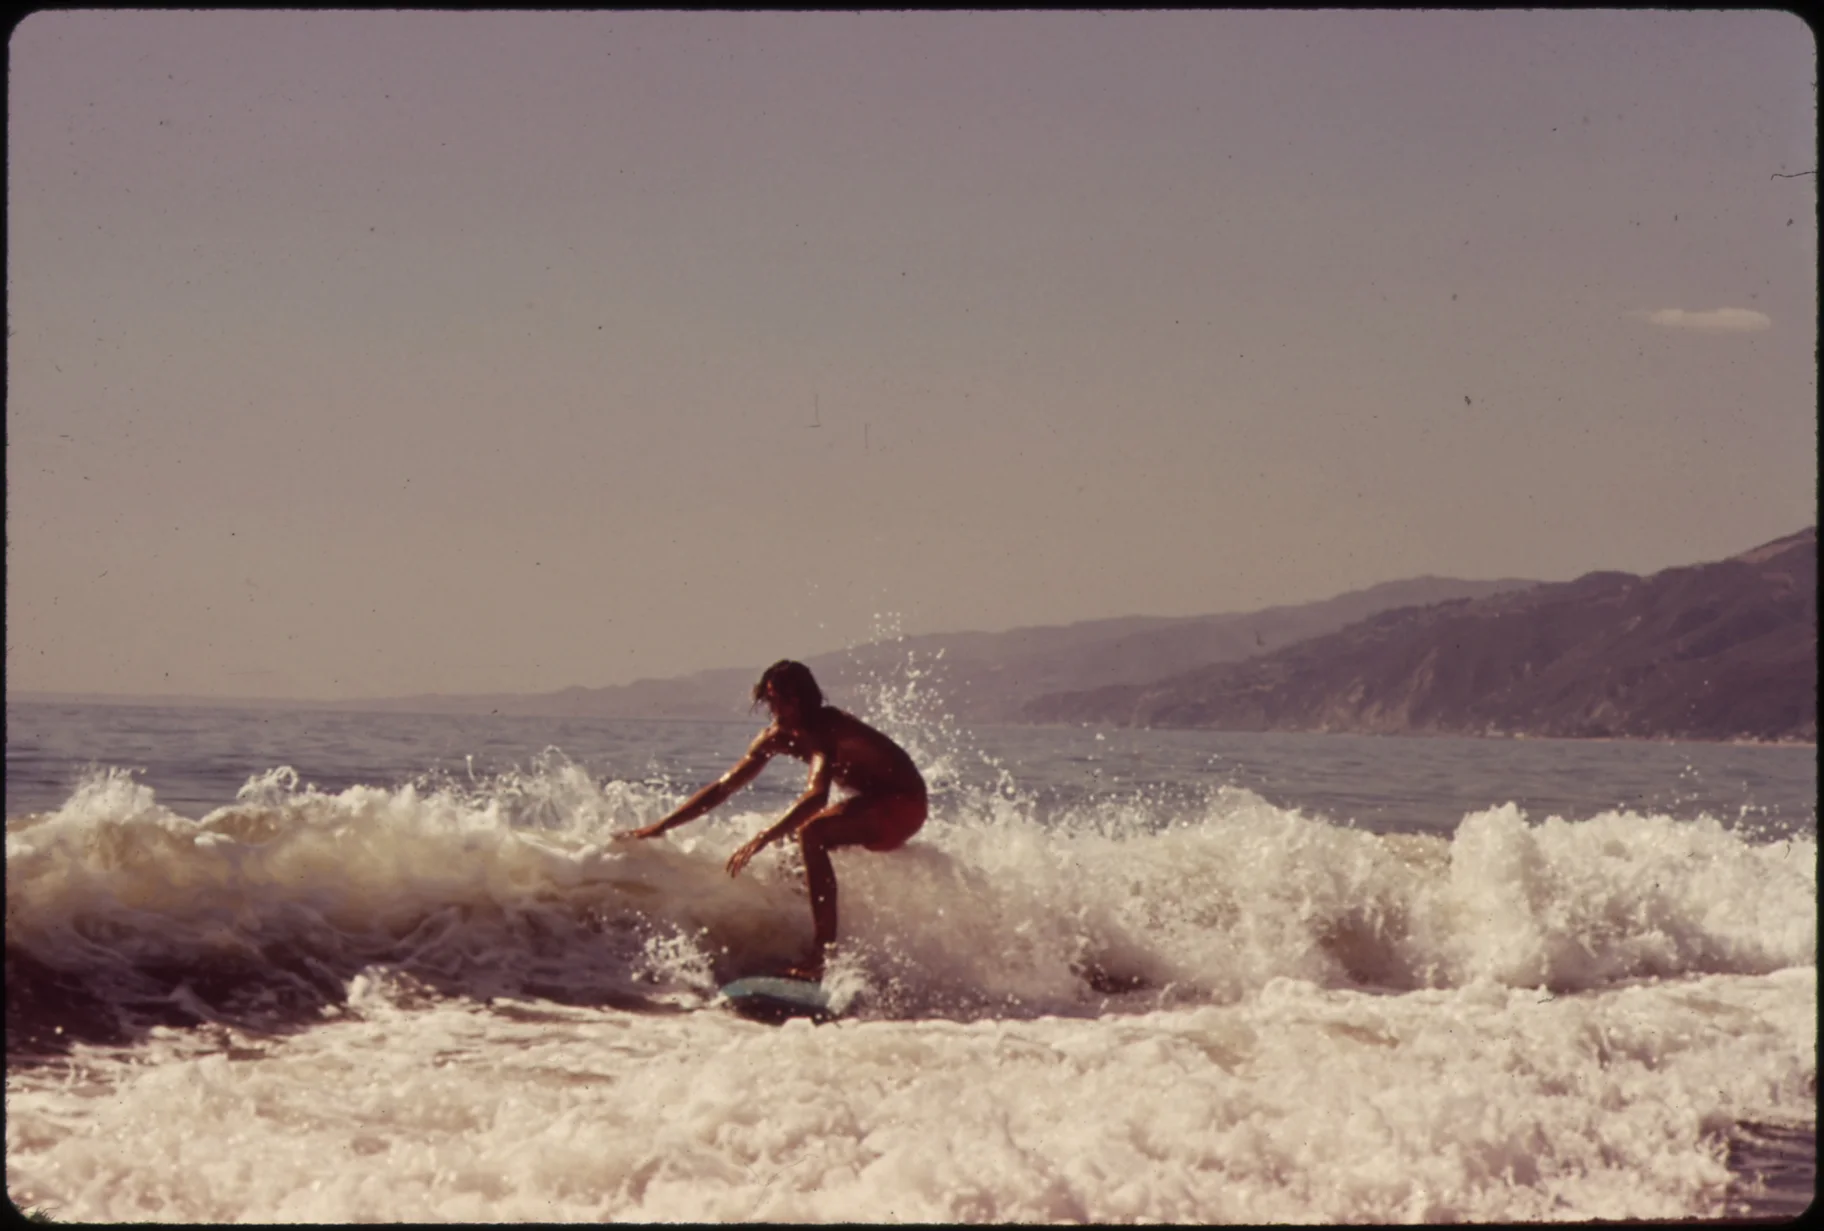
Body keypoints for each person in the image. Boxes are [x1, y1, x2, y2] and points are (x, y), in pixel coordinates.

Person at [617, 660, 927, 980]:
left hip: (904, 805)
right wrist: (662, 826)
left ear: (803, 699)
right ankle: (798, 936)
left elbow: (817, 796)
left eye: (783, 699)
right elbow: (724, 787)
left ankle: (823, 956)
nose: (776, 707)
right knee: (790, 847)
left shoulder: (826, 727)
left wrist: (762, 836)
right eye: (772, 699)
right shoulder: (775, 737)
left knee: (811, 832)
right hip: (872, 804)